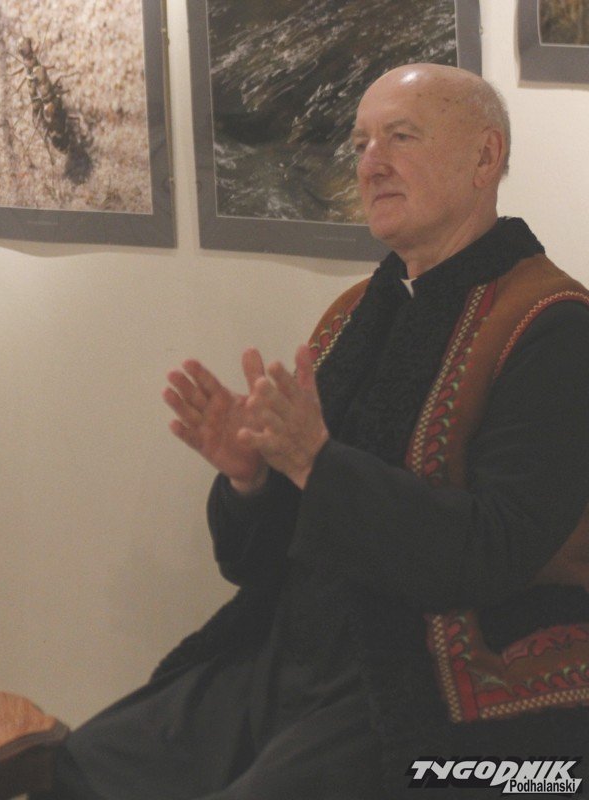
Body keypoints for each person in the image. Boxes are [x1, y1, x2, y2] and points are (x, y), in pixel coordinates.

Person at [47, 64, 589, 799]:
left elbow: (496, 549)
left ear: (484, 157)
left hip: (433, 674)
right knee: (85, 766)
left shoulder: (550, 324)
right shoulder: (353, 315)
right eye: (361, 143)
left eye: (401, 137)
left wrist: (317, 463)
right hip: (296, 652)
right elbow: (264, 558)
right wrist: (251, 479)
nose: (372, 162)